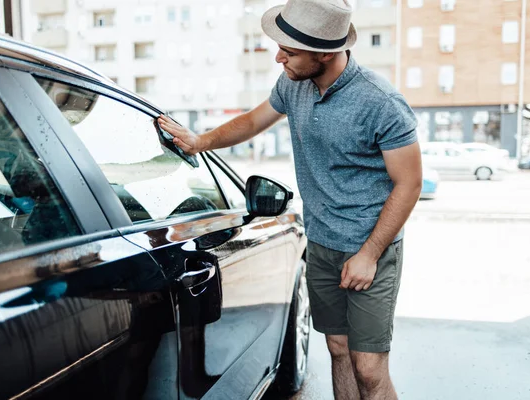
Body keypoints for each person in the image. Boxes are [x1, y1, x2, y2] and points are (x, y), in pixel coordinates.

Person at [158, 0, 422, 398]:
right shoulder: (292, 83)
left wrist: (369, 253)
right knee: (337, 349)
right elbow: (252, 120)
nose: (279, 57)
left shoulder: (381, 103)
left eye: (290, 51)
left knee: (368, 368)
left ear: (326, 52)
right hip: (322, 244)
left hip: (372, 249)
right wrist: (200, 142)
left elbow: (410, 184)